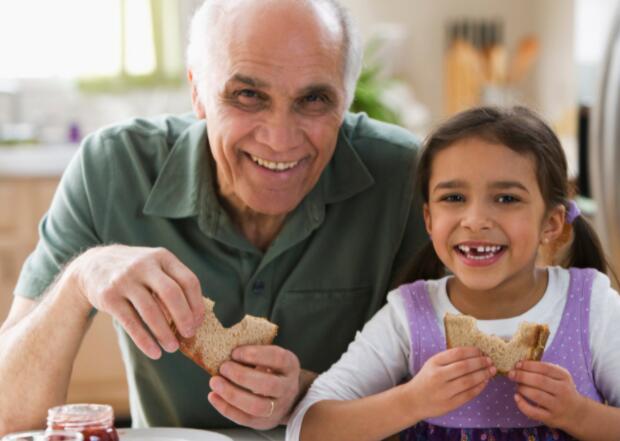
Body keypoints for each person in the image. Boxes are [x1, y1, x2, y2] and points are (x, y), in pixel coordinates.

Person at [0, 0, 427, 434]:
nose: (280, 139)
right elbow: (8, 415)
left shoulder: (406, 178)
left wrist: (311, 396)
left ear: (346, 101)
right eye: (247, 95)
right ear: (197, 92)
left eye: (313, 99)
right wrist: (79, 279)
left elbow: (459, 397)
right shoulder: (112, 168)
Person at [287, 106, 620, 441]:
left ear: (551, 223)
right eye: (454, 197)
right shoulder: (409, 313)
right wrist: (412, 401)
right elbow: (308, 429)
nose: (475, 219)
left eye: (506, 198)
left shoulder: (592, 307)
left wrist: (579, 413)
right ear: (430, 220)